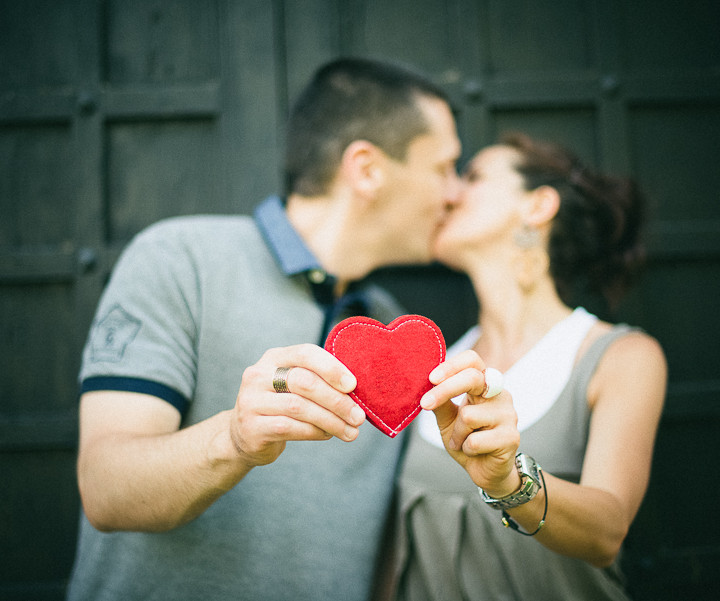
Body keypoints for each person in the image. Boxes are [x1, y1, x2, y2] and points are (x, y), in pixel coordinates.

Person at [66, 57, 461, 601]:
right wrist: (234, 439)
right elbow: (105, 490)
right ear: (367, 169)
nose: (456, 194)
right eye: (444, 168)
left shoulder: (397, 327)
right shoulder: (180, 259)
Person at [388, 133, 667, 600]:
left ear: (537, 206)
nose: (450, 192)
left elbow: (606, 532)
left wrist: (509, 481)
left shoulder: (620, 356)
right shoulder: (436, 368)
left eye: (473, 176)